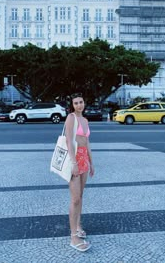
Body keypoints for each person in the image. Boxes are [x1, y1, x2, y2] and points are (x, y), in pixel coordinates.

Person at [65, 93, 94, 252]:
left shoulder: (85, 120)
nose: (79, 105)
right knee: (75, 198)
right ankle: (73, 236)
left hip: (84, 158)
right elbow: (69, 140)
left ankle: (78, 225)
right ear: (72, 105)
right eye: (75, 103)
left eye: (81, 102)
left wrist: (92, 162)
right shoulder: (71, 118)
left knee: (81, 195)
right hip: (74, 158)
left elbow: (87, 142)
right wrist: (73, 163)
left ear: (84, 103)